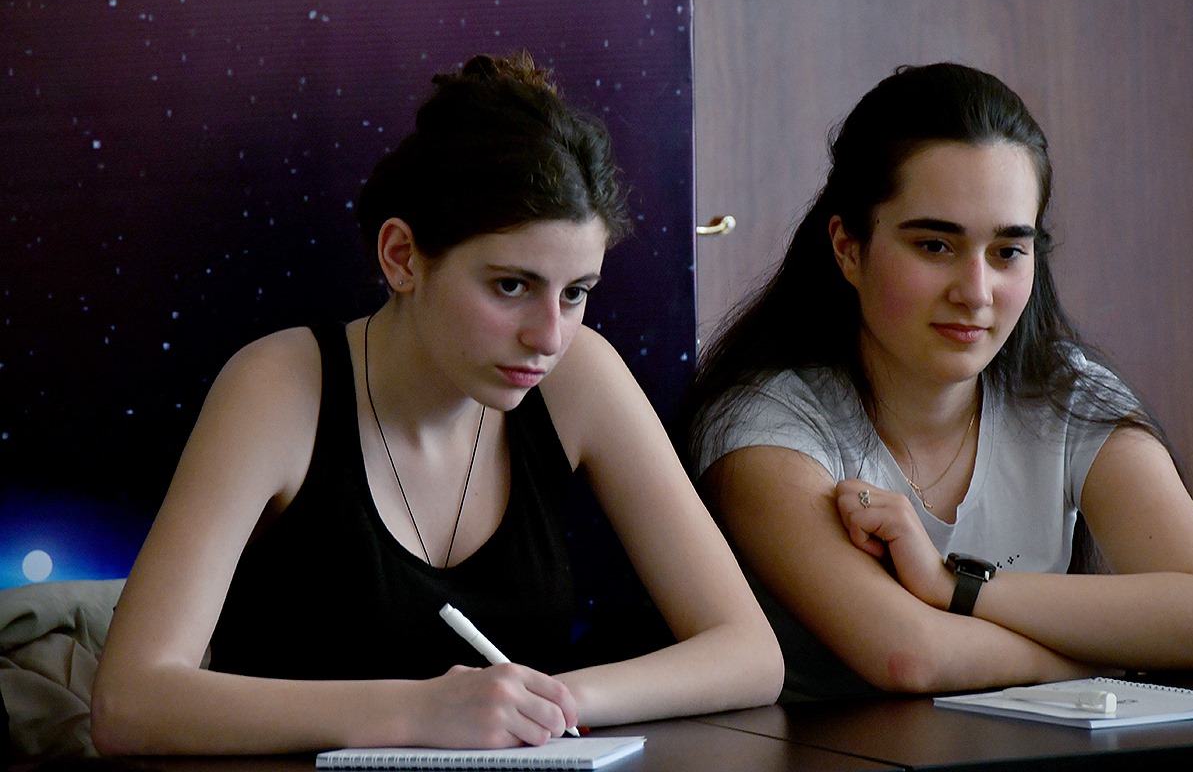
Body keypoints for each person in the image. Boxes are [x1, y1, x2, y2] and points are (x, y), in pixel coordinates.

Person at [91, 52, 782, 755]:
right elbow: (129, 702)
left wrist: (538, 704)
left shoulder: (580, 375)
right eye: (511, 285)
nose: (549, 336)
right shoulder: (277, 388)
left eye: (576, 292)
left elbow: (751, 654)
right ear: (402, 257)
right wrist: (417, 712)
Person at [684, 62, 1193, 700]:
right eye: (935, 246)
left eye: (1008, 251)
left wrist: (954, 586)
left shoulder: (1069, 394)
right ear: (848, 249)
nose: (976, 293)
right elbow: (909, 657)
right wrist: (1098, 660)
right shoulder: (764, 424)